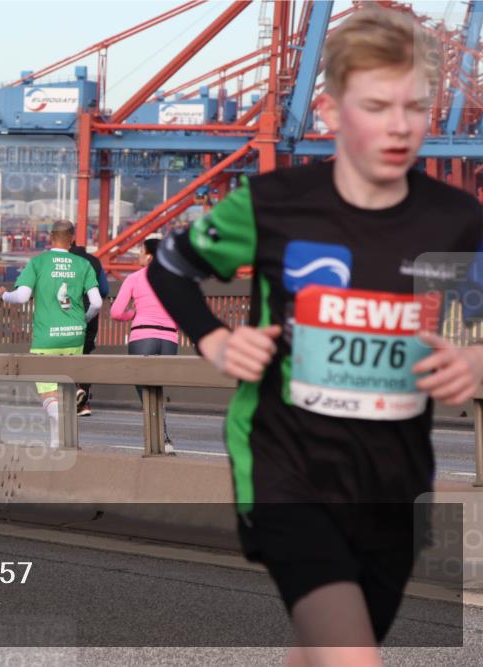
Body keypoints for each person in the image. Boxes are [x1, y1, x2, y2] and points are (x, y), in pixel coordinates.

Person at [148, 8, 483, 661]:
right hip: (284, 464)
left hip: (393, 477)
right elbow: (170, 267)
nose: (401, 125)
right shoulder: (275, 204)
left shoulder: (456, 220)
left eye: (417, 106)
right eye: (377, 105)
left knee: (326, 648)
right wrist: (214, 340)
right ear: (328, 111)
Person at [0, 220, 102, 447]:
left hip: (47, 337)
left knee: (49, 393)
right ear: (71, 238)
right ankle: (57, 445)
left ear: (50, 237)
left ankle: (63, 422)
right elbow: (97, 303)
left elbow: (21, 297)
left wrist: (2, 295)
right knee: (65, 389)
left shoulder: (38, 262)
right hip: (75, 335)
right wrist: (84, 320)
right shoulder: (84, 264)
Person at [111, 235, 179, 454]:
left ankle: (160, 437)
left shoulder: (135, 278)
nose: (139, 256)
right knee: (158, 388)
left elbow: (116, 312)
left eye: (140, 252)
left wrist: (133, 314)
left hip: (143, 336)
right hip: (169, 338)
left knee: (144, 391)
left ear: (149, 256)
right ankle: (165, 438)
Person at [69, 240, 110, 416]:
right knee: (84, 355)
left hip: (65, 315)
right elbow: (104, 290)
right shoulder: (94, 261)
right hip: (89, 316)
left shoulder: (61, 261)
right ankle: (84, 403)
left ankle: (72, 394)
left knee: (63, 356)